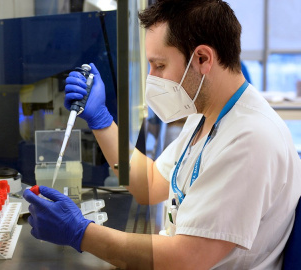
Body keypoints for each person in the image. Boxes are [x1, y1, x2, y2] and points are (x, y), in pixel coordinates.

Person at [23, 0, 301, 269]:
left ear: (202, 58)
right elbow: (151, 184)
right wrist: (101, 120)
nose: (151, 78)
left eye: (160, 66)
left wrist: (80, 233)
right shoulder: (204, 114)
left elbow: (185, 260)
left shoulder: (250, 140)